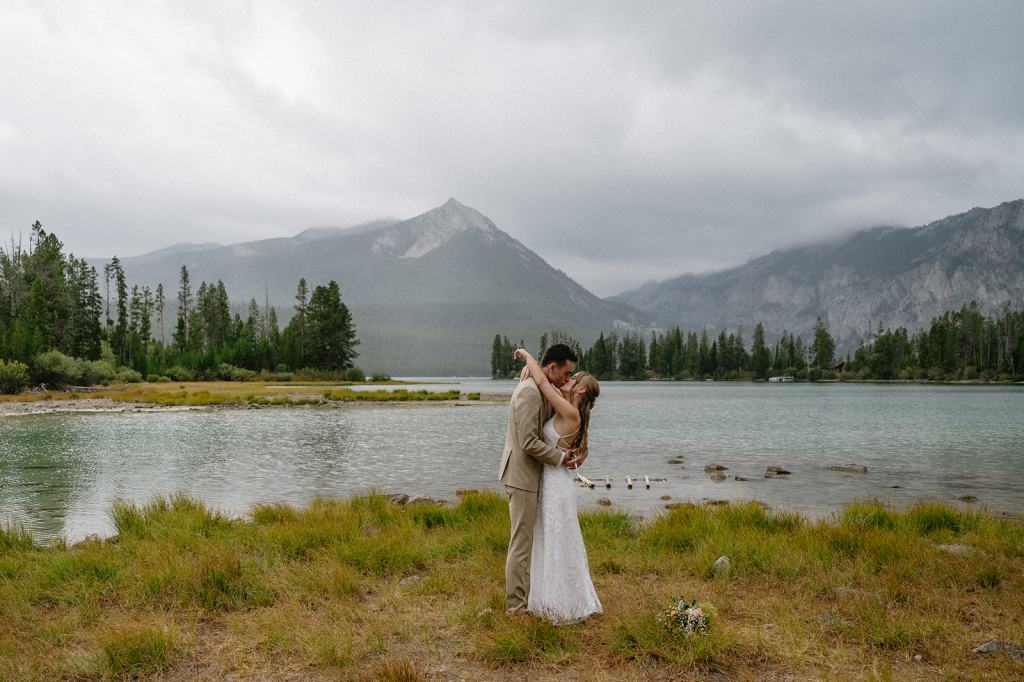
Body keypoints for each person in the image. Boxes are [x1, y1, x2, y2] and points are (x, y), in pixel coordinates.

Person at [514, 346, 603, 624]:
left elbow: (543, 381)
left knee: (556, 538)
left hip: (555, 480)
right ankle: (547, 598)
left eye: (573, 379)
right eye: (567, 373)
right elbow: (543, 383)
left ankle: (560, 602)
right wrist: (534, 369)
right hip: (551, 478)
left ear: (581, 393)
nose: (568, 379)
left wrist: (529, 358)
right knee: (550, 537)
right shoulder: (564, 406)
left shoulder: (569, 410)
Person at [498, 344, 584, 615]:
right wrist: (560, 458)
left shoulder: (543, 386)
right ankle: (516, 609)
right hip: (522, 476)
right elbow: (527, 441)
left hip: (536, 477)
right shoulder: (529, 392)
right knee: (521, 544)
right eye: (566, 373)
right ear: (552, 367)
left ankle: (534, 599)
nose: (567, 379)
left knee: (530, 542)